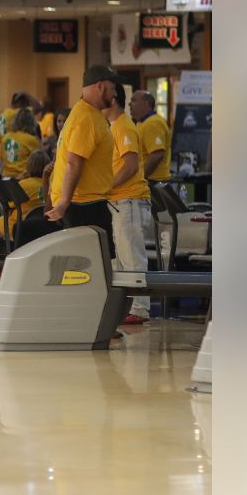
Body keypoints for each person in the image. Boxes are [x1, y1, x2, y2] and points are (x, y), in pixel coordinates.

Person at [43, 65, 118, 251]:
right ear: (100, 86)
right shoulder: (86, 118)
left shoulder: (87, 113)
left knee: (91, 266)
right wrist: (64, 203)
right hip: (84, 205)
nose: (115, 93)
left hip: (85, 203)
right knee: (91, 266)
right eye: (112, 87)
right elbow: (74, 162)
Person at [105, 84, 154, 324]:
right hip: (120, 201)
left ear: (112, 100)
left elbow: (131, 165)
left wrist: (107, 186)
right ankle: (129, 307)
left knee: (132, 257)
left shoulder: (124, 126)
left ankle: (140, 308)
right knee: (123, 258)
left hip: (130, 199)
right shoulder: (114, 128)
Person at [0, 148, 47, 245]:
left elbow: (8, 203)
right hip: (41, 229)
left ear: (29, 165)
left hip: (16, 225)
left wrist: (17, 180)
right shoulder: (51, 185)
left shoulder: (24, 185)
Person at [130, 90, 172, 184]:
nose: (129, 104)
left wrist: (141, 177)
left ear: (146, 103)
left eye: (134, 100)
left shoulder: (153, 123)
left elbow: (157, 154)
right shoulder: (142, 122)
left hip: (154, 181)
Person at [0, 108, 42, 179]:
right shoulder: (32, 140)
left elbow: (1, 159)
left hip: (6, 179)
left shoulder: (5, 137)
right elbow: (39, 161)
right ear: (31, 122)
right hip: (23, 179)